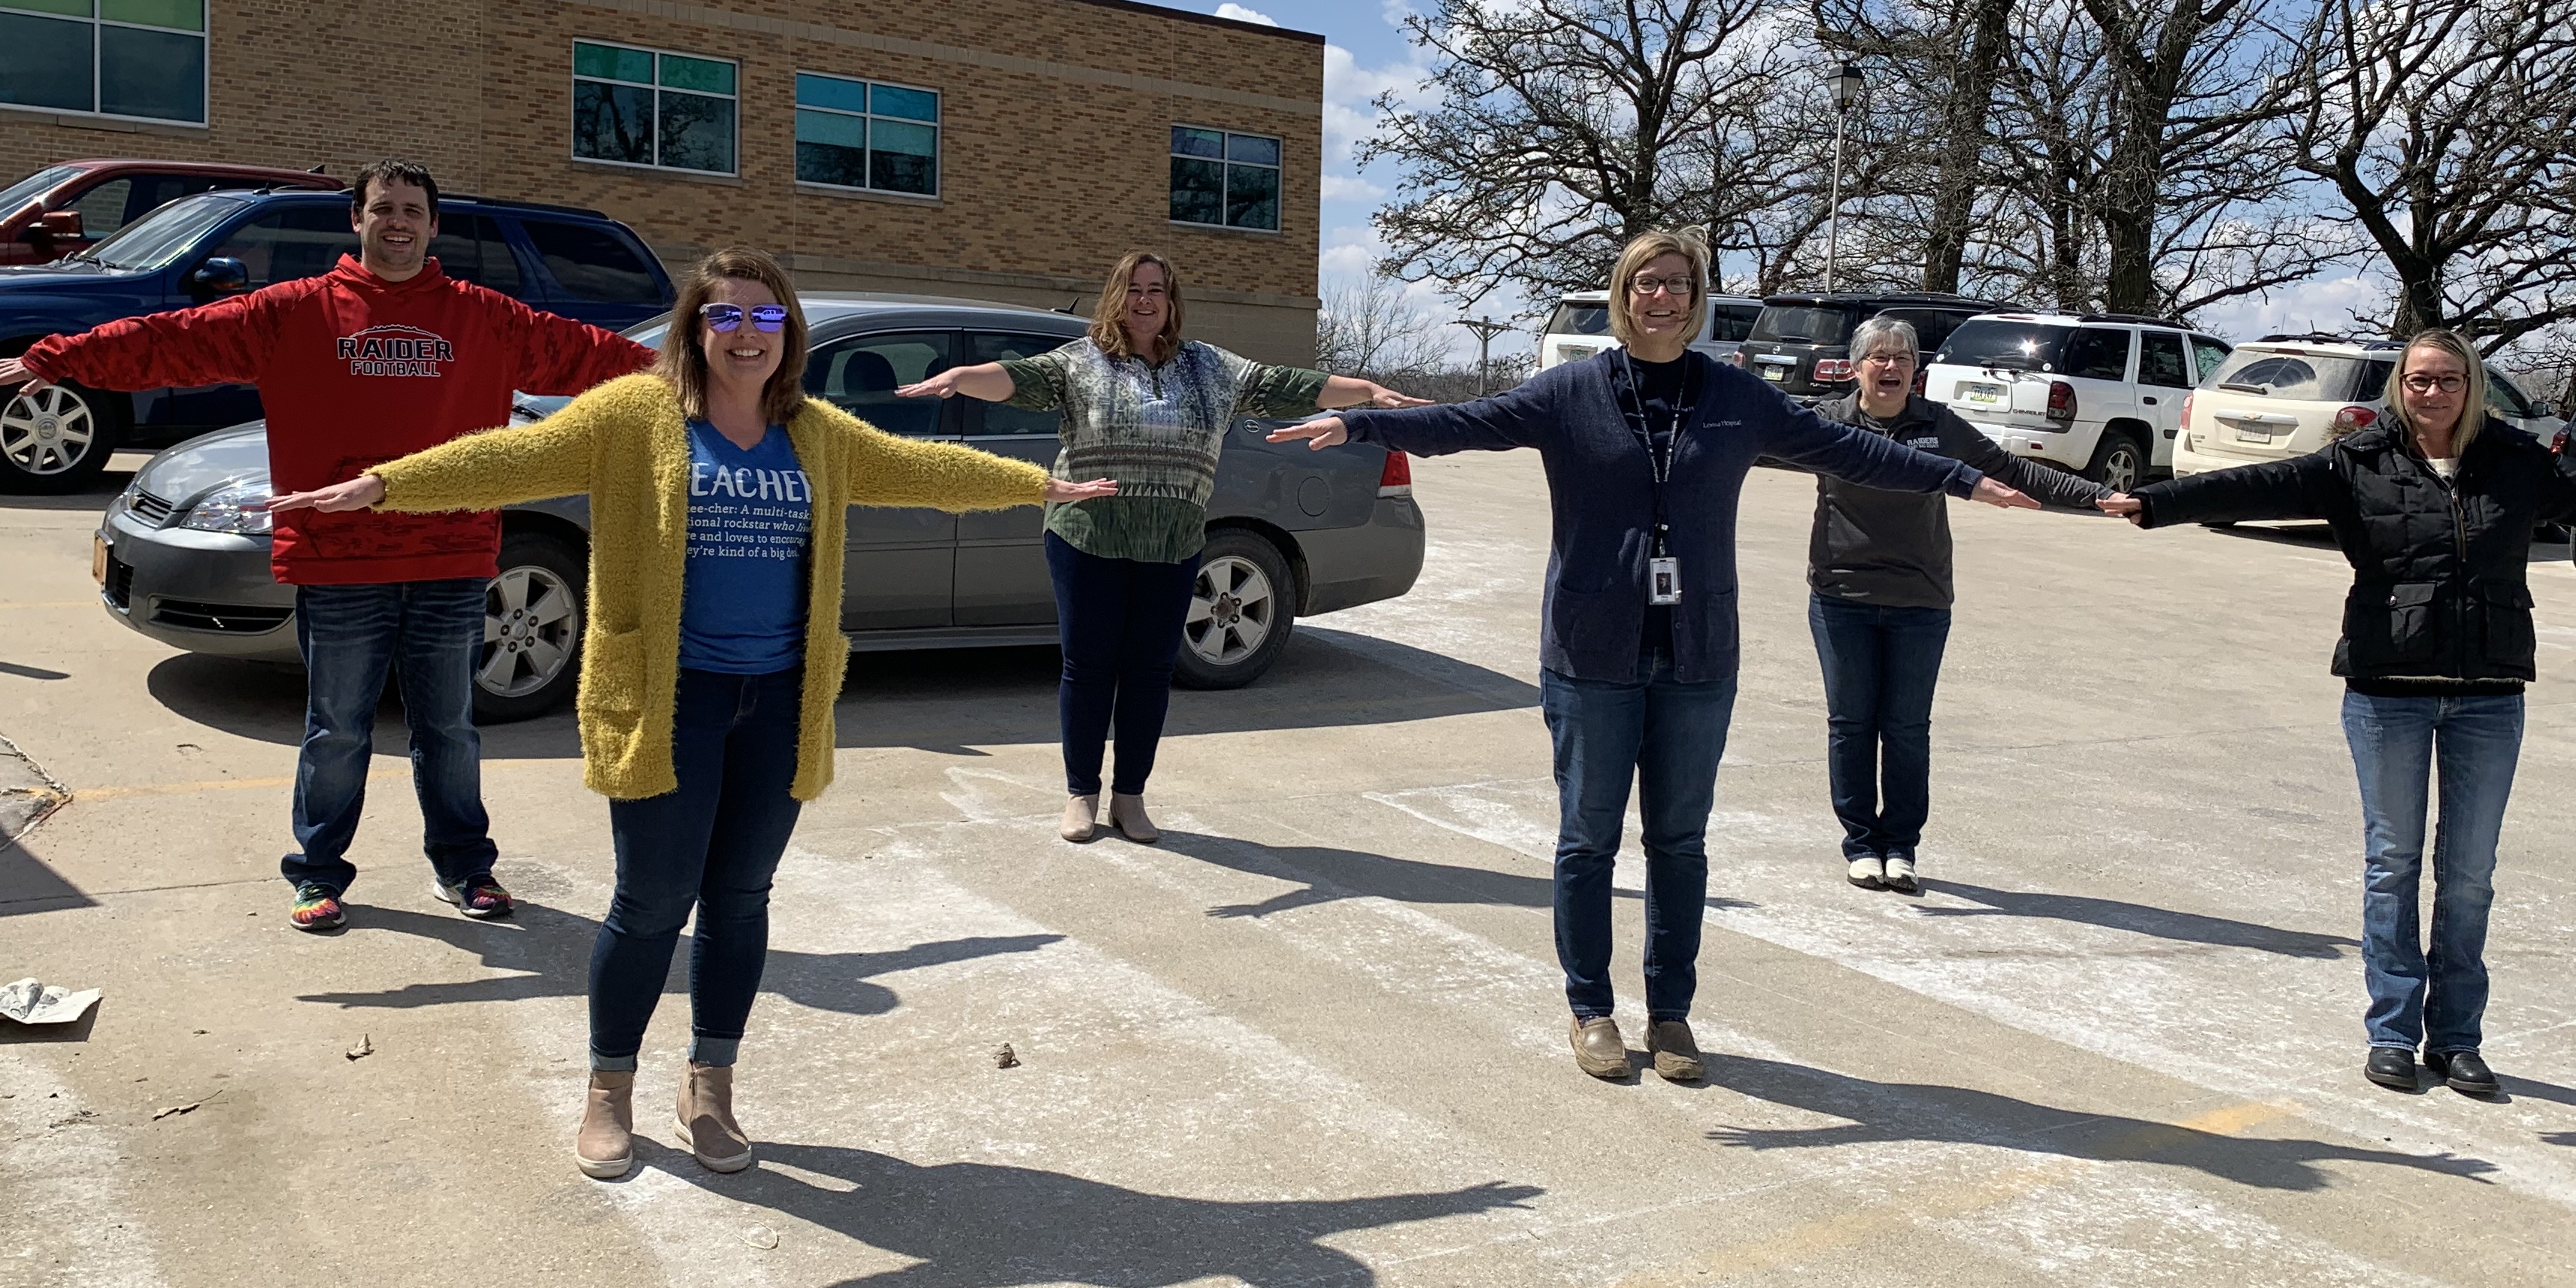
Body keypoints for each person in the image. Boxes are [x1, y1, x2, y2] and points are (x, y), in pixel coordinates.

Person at [265, 249, 1114, 1178]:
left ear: (786, 333)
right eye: (725, 316)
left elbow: (923, 467)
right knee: (651, 901)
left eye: (764, 317)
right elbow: (514, 452)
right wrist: (388, 482)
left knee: (743, 899)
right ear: (695, 330)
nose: (745, 334)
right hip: (671, 696)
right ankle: (609, 1089)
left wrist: (1038, 485)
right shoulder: (637, 416)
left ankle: (711, 1086)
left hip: (781, 700)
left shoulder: (818, 433)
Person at [1274, 231, 2041, 1086]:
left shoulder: (1736, 397)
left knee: (1680, 841)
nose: (1663, 297)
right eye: (1647, 282)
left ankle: (1670, 1012)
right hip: (1590, 650)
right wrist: (1360, 420)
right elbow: (1465, 421)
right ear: (1623, 295)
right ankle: (1590, 1008)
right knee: (1588, 841)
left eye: (1679, 283)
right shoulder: (1571, 392)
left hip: (1698, 652)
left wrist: (1961, 479)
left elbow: (1856, 449)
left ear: (1698, 297)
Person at [0, 161, 656, 932]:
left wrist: (696, 374)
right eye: (381, 208)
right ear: (356, 222)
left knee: (450, 730)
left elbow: (595, 356)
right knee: (338, 729)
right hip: (341, 561)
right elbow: (176, 340)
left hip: (452, 556)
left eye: (412, 210)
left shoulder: (486, 318)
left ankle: (464, 867)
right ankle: (318, 873)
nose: (396, 221)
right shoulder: (293, 312)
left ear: (433, 227)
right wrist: (61, 357)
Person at [2108, 326, 2576, 1097]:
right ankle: (2393, 1032)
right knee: (2392, 868)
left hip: (2488, 699)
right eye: (2420, 380)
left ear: (2473, 388)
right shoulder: (2356, 463)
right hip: (2385, 694)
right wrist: (2153, 500)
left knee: (2468, 878)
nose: (2433, 393)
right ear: (2401, 386)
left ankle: (2458, 1038)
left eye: (2450, 380)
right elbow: (2252, 488)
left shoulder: (2522, 467)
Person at [896, 250, 1423, 844]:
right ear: (1115, 297)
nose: (1145, 300)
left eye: (1157, 290)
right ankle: (1080, 795)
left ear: (1172, 302)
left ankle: (1130, 797)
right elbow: (1018, 379)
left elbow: (1287, 383)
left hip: (1171, 543)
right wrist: (962, 378)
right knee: (1089, 667)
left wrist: (1367, 392)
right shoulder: (1081, 362)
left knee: (1149, 672)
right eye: (1134, 289)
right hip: (1087, 537)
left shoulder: (1210, 367)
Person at [1805, 314, 2105, 893]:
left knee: (1907, 728)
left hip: (1921, 600)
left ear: (1916, 372)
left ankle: (1902, 847)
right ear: (1857, 367)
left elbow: (2012, 470)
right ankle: (1862, 845)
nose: (1890, 367)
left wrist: (2098, 496)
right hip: (1842, 596)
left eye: (1903, 359)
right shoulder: (1827, 423)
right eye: (1879, 357)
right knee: (1851, 724)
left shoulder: (1938, 425)